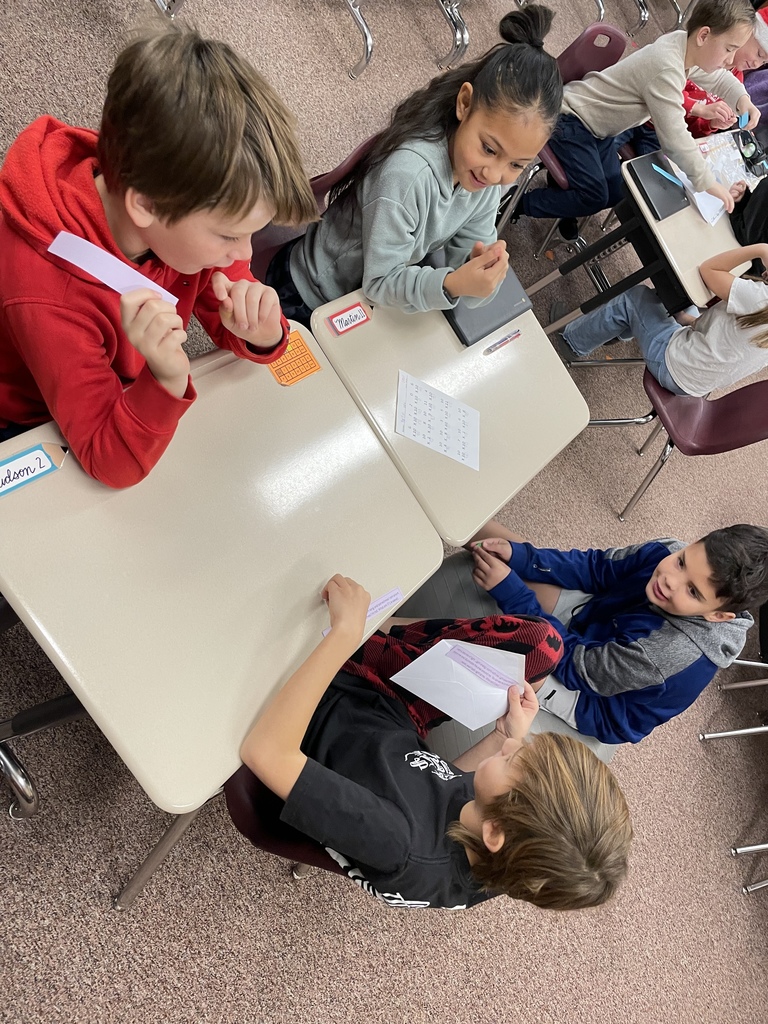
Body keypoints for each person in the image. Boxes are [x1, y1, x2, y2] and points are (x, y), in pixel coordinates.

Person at [0, 22, 318, 488]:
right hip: (29, 413)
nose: (244, 253)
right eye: (230, 235)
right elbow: (108, 459)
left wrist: (263, 332)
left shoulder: (171, 190)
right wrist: (168, 378)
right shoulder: (49, 296)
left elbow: (227, 300)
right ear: (145, 205)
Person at [239, 575, 633, 911]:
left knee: (266, 593)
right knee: (540, 643)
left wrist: (345, 635)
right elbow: (448, 781)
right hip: (386, 717)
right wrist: (502, 736)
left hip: (311, 712)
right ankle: (377, 628)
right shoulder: (509, 861)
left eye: (515, 760)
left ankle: (365, 631)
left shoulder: (395, 842)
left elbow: (267, 752)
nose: (515, 747)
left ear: (496, 832)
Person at [265, 5, 562, 326]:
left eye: (517, 165)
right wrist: (452, 284)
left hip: (363, 297)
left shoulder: (484, 181)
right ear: (465, 104)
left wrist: (481, 271)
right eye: (489, 148)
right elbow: (380, 284)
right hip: (309, 293)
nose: (495, 175)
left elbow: (466, 256)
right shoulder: (407, 174)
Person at [466, 521, 768, 745]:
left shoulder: (666, 653)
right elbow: (596, 567)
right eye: (681, 562)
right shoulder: (668, 551)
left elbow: (575, 666)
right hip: (596, 627)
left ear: (718, 615)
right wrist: (522, 556)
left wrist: (516, 596)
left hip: (591, 699)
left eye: (692, 590)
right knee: (501, 545)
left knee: (503, 645)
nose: (670, 580)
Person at [516, 0, 760, 239]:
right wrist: (707, 182)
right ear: (704, 36)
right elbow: (675, 138)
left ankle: (560, 191)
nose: (730, 60)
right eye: (729, 49)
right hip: (572, 120)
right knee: (594, 196)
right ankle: (517, 204)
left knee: (616, 190)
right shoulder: (667, 67)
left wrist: (742, 99)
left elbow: (718, 78)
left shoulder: (683, 46)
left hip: (597, 129)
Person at [549, 243, 768, 396]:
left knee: (635, 298)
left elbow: (708, 269)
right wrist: (688, 320)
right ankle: (617, 328)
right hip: (696, 385)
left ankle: (572, 342)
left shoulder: (760, 299)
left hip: (673, 366)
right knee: (682, 303)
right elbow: (730, 340)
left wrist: (759, 249)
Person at [681, 7, 768, 137]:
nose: (756, 64)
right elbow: (664, 92)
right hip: (653, 120)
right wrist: (699, 109)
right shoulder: (698, 54)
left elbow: (694, 130)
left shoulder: (735, 79)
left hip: (680, 129)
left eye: (763, 63)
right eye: (759, 54)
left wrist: (711, 124)